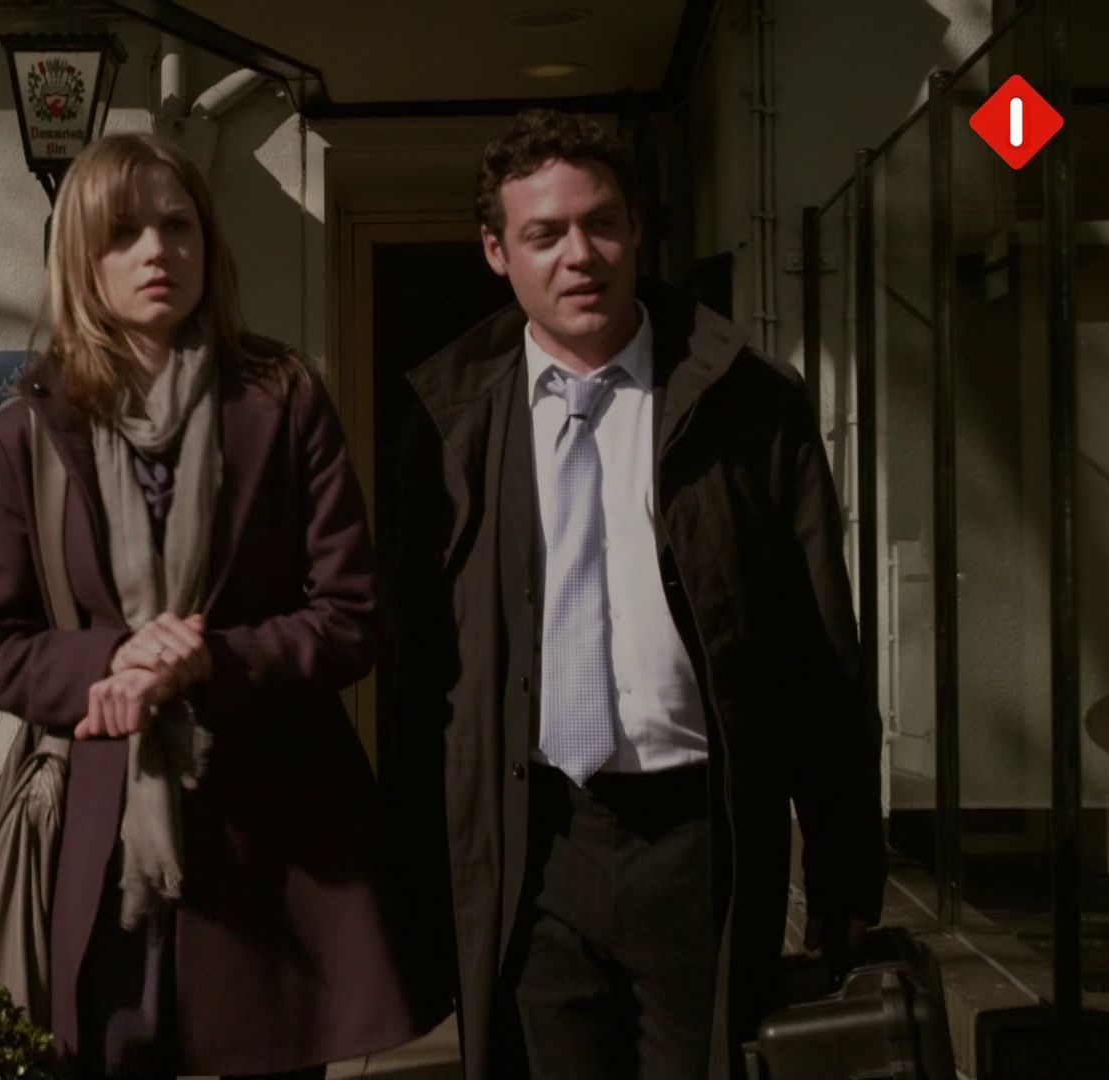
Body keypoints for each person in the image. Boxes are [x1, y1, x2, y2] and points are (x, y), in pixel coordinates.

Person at [380, 109, 887, 1079]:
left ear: (638, 228)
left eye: (601, 223)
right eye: (545, 234)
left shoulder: (748, 402)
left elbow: (821, 656)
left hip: (698, 844)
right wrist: (411, 885)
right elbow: (416, 674)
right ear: (496, 251)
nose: (581, 255)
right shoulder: (445, 423)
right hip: (534, 844)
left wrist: (843, 874)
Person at [0, 133, 442, 1080]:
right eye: (124, 231)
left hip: (278, 846)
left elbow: (350, 616)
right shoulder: (24, 435)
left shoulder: (283, 400)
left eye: (178, 226)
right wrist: (115, 661)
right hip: (105, 844)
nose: (157, 251)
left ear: (208, 245)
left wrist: (212, 658)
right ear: (80, 257)